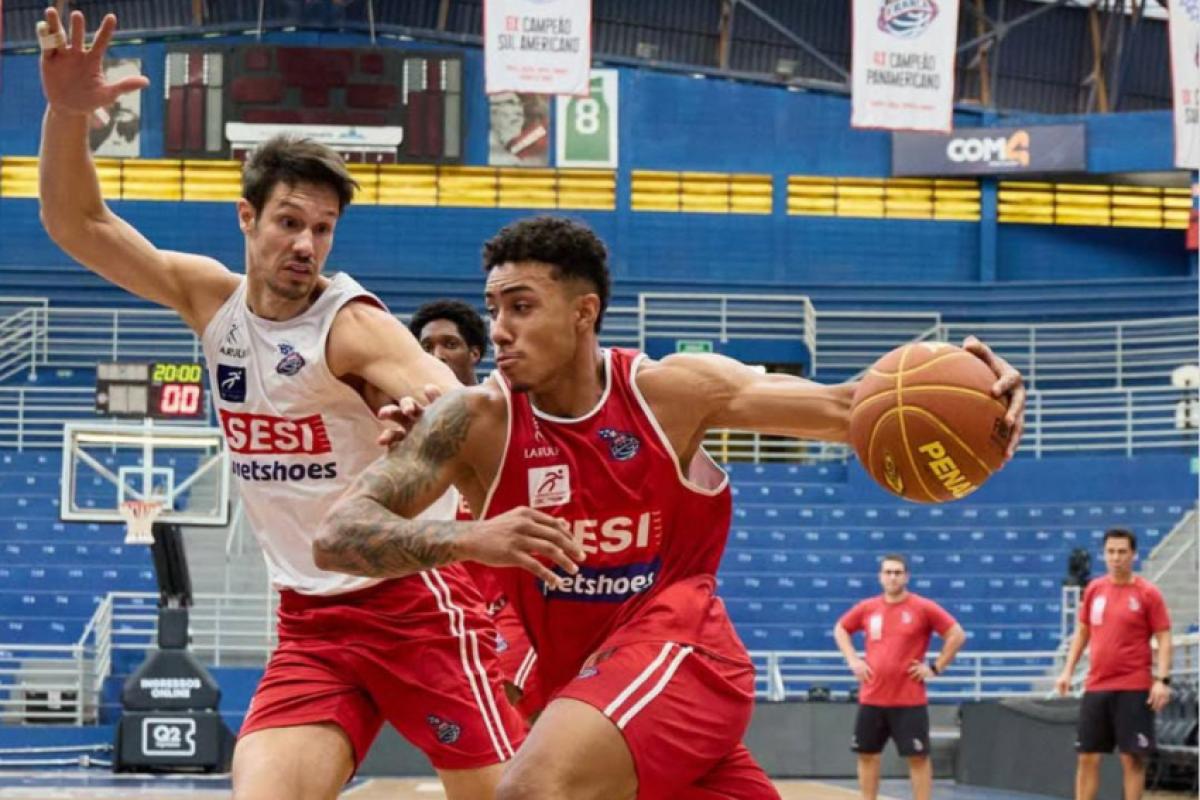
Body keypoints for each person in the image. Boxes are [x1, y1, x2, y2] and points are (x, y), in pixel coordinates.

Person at [311, 215, 1026, 799]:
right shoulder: (471, 421)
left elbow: (853, 406)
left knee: (530, 792)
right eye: (494, 307)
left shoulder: (670, 394)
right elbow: (339, 535)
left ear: (584, 311)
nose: (498, 328)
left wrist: (983, 399)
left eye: (521, 306)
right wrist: (472, 540)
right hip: (587, 688)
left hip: (681, 653)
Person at [35, 9, 536, 799]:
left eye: (323, 229)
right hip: (310, 618)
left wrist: (422, 423)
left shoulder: (351, 324)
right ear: (249, 219)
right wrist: (67, 114)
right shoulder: (211, 302)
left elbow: (457, 407)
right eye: (289, 222)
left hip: (416, 605)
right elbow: (80, 224)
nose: (305, 244)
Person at [409, 299, 542, 714]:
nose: (437, 354)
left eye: (449, 343)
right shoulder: (406, 427)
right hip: (447, 614)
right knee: (486, 735)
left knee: (501, 704)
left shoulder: (508, 414)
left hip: (515, 608)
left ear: (475, 354)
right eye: (426, 345)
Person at [833, 554, 967, 800]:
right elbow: (841, 628)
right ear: (880, 576)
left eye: (897, 572)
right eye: (888, 572)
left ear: (906, 576)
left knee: (917, 758)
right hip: (872, 697)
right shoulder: (868, 608)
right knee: (867, 754)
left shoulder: (923, 607)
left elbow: (956, 634)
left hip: (909, 700)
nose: (892, 577)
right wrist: (853, 659)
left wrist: (935, 667)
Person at [1055, 528, 1173, 800]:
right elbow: (1083, 632)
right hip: (1097, 686)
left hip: (1133, 686)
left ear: (1133, 554)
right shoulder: (1095, 589)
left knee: (1132, 759)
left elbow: (1164, 637)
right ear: (1104, 554)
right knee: (1086, 757)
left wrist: (1162, 680)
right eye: (1110, 552)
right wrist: (1067, 671)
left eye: (1122, 552)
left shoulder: (1147, 593)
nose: (1116, 557)